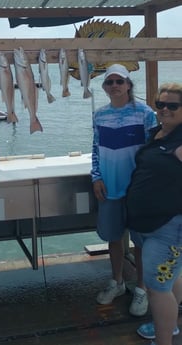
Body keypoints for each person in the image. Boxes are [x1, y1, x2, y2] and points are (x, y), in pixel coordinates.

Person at [91, 64, 157, 316]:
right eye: (110, 82)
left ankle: (141, 288)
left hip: (138, 191)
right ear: (105, 87)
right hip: (109, 188)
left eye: (120, 81)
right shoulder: (99, 115)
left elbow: (152, 153)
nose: (115, 86)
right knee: (114, 238)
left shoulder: (145, 113)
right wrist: (96, 177)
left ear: (129, 85)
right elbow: (96, 149)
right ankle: (117, 282)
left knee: (141, 242)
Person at [126, 82, 182, 345]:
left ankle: (164, 341)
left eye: (173, 105)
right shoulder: (157, 133)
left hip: (168, 227)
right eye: (161, 104)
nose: (165, 110)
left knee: (157, 289)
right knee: (172, 279)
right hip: (146, 224)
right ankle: (168, 325)